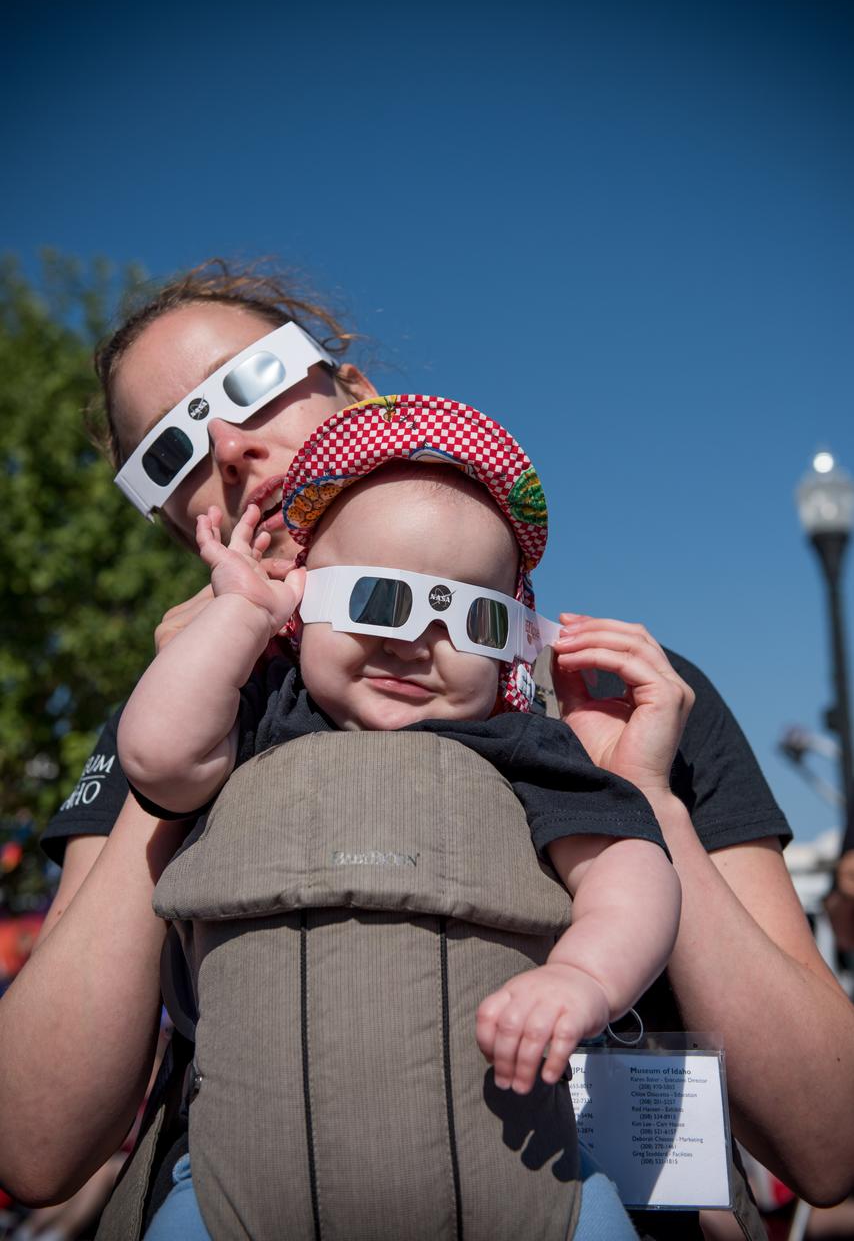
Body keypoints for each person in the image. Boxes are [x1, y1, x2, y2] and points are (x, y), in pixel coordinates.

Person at [0, 261, 852, 1239]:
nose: (229, 445)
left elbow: (825, 1141)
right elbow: (33, 1144)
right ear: (169, 517)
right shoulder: (169, 721)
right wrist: (169, 760)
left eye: (248, 383)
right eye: (170, 451)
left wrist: (636, 793)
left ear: (351, 388)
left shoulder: (626, 695)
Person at [118, 397, 682, 1236]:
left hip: (521, 1180)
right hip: (238, 1184)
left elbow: (632, 869)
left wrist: (586, 977)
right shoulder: (260, 712)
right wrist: (238, 614)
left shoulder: (521, 749)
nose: (414, 639)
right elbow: (158, 758)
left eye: (468, 617)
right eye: (376, 598)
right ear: (299, 595)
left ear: (509, 646)